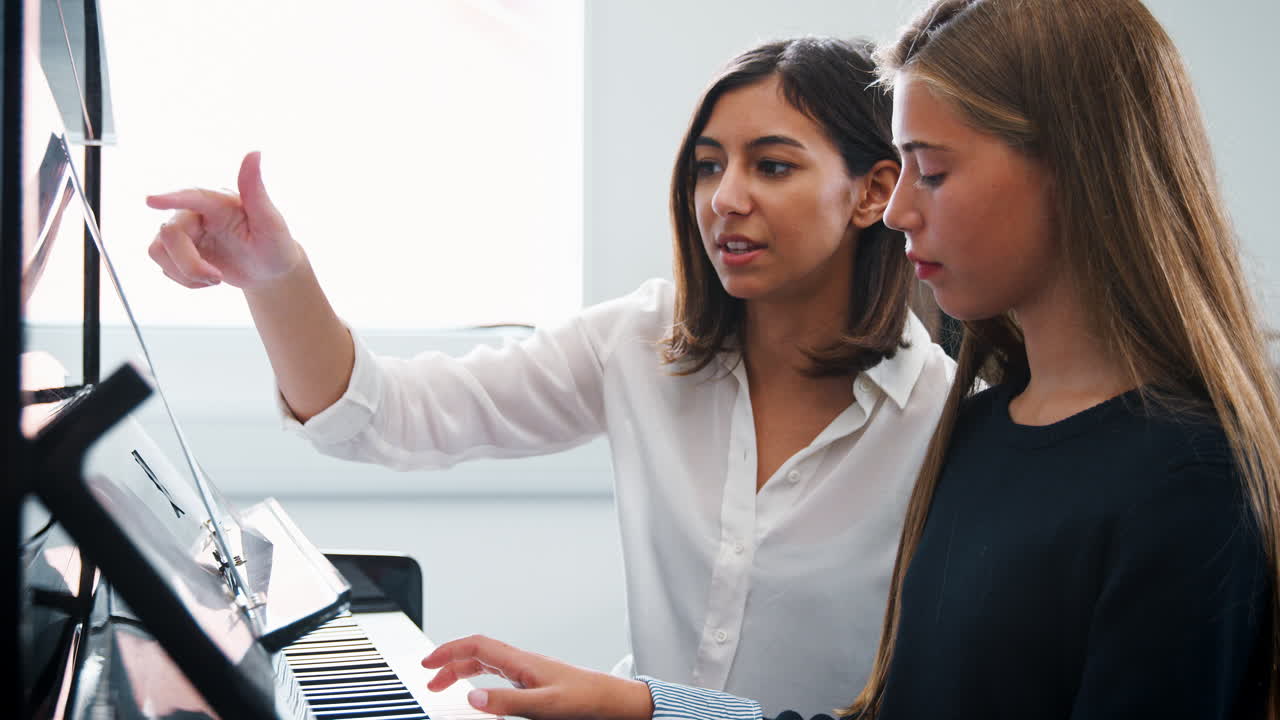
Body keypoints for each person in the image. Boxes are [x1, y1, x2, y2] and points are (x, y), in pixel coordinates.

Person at [417, 0, 1280, 718]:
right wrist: (639, 704)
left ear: (1075, 172)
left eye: (930, 173)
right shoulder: (977, 429)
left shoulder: (1190, 475)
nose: (897, 210)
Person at [145, 37, 955, 717]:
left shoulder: (948, 422)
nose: (725, 199)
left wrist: (634, 705)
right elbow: (379, 417)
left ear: (874, 193)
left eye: (772, 167)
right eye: (709, 167)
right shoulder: (642, 341)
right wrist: (273, 274)